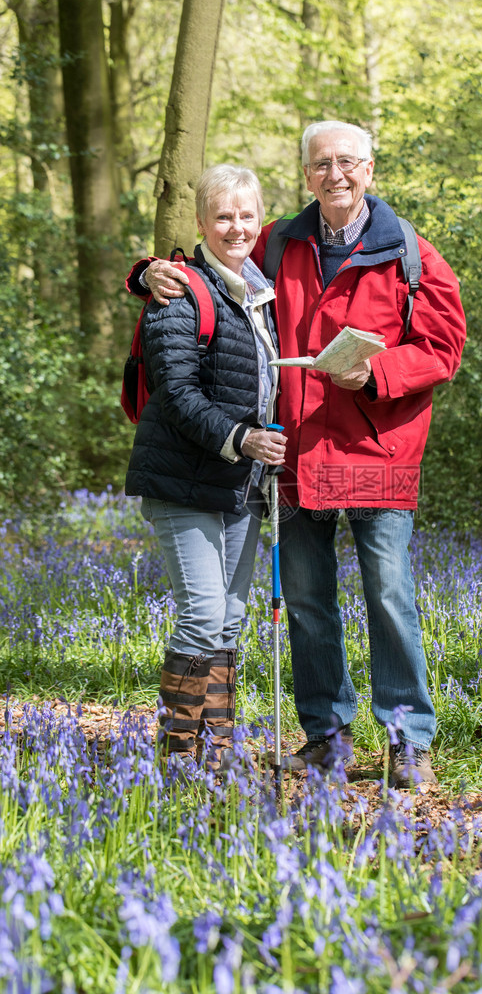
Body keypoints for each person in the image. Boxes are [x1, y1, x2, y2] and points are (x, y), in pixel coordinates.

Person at [138, 120, 466, 788]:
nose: (335, 175)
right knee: (310, 605)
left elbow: (442, 349)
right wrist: (148, 272)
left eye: (348, 162)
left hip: (379, 453)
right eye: (321, 164)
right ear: (306, 174)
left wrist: (374, 375)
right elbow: (211, 256)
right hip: (296, 454)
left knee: (390, 600)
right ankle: (326, 736)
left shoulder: (411, 253)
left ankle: (407, 742)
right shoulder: (279, 239)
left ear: (370, 169)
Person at [125, 163, 287, 773]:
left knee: (233, 615)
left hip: (239, 485)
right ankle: (176, 751)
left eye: (247, 215)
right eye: (223, 216)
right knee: (202, 612)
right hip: (183, 481)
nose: (236, 227)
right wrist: (241, 438)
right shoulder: (179, 291)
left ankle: (217, 747)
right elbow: (176, 393)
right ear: (200, 222)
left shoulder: (258, 291)